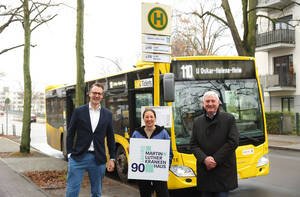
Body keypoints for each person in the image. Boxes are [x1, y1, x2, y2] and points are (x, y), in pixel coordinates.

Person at [66, 83, 116, 197]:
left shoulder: (107, 114)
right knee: (72, 191)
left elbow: (111, 137)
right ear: (90, 94)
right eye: (94, 93)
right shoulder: (79, 111)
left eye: (99, 93)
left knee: (96, 193)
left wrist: (112, 158)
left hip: (98, 159)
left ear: (102, 96)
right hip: (78, 157)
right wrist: (69, 153)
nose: (96, 96)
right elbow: (70, 132)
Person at [190, 91, 239, 197]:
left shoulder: (229, 119)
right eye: (207, 101)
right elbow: (193, 145)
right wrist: (205, 159)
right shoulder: (197, 121)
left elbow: (233, 142)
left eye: (213, 101)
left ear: (218, 103)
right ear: (203, 103)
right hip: (205, 171)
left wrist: (215, 160)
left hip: (222, 172)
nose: (210, 104)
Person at [130, 108, 173, 197]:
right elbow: (134, 154)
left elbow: (169, 153)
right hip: (143, 172)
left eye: (151, 117)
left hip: (159, 171)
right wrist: (130, 150)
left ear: (155, 118)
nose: (149, 119)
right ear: (143, 119)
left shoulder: (163, 133)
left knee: (163, 194)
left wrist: (166, 168)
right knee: (145, 194)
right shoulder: (137, 133)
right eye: (146, 117)